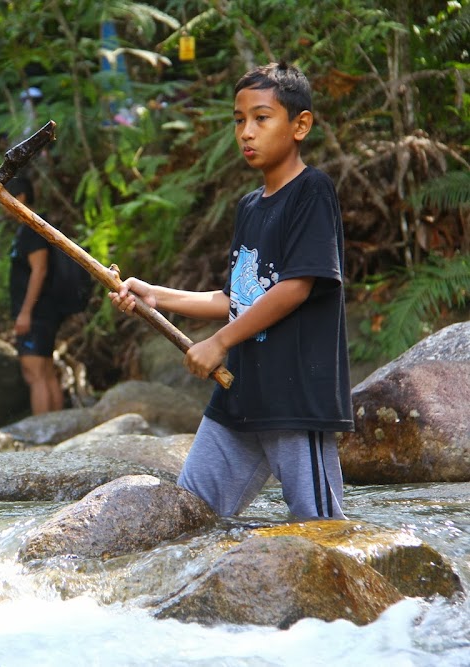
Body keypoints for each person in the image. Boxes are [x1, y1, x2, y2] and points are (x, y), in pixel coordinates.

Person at [110, 62, 353, 520]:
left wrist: (220, 341)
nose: (247, 132)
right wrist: (155, 297)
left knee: (321, 530)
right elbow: (235, 298)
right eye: (239, 120)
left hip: (295, 401)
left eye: (262, 118)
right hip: (239, 396)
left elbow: (296, 288)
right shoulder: (249, 207)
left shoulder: (312, 192)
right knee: (190, 518)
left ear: (300, 125)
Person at [6, 176, 65, 415]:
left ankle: (43, 436)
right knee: (46, 370)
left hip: (38, 313)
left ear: (19, 198)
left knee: (35, 373)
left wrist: (25, 313)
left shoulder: (33, 229)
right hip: (42, 312)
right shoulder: (31, 228)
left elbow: (39, 270)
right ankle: (54, 430)